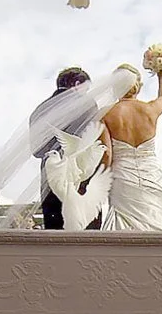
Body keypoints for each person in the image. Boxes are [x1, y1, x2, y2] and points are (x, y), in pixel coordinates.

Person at [29, 67, 106, 230]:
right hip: (80, 172)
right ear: (77, 84)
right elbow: (93, 138)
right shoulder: (87, 103)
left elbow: (35, 150)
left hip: (50, 173)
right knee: (85, 230)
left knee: (55, 228)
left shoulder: (38, 110)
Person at [101, 64, 162, 231]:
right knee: (154, 219)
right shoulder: (150, 109)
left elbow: (107, 154)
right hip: (151, 175)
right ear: (138, 86)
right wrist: (161, 79)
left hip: (122, 175)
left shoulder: (106, 114)